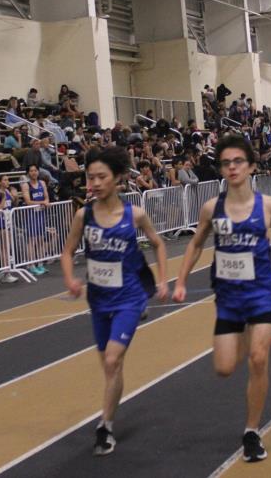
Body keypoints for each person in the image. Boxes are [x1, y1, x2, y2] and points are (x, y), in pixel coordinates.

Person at [172, 134, 271, 463]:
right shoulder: (211, 209)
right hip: (228, 297)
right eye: (226, 163)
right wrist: (181, 280)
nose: (232, 168)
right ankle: (244, 334)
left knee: (258, 359)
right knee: (225, 368)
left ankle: (251, 432)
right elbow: (196, 244)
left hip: (261, 293)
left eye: (238, 162)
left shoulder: (268, 205)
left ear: (251, 167)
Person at [60, 146, 168, 456]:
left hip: (129, 298)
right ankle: (109, 417)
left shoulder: (135, 215)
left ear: (117, 178)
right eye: (90, 177)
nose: (94, 183)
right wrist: (69, 279)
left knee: (112, 360)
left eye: (101, 177)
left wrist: (163, 279)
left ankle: (104, 426)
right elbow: (67, 251)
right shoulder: (83, 215)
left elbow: (158, 244)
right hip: (98, 300)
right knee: (111, 369)